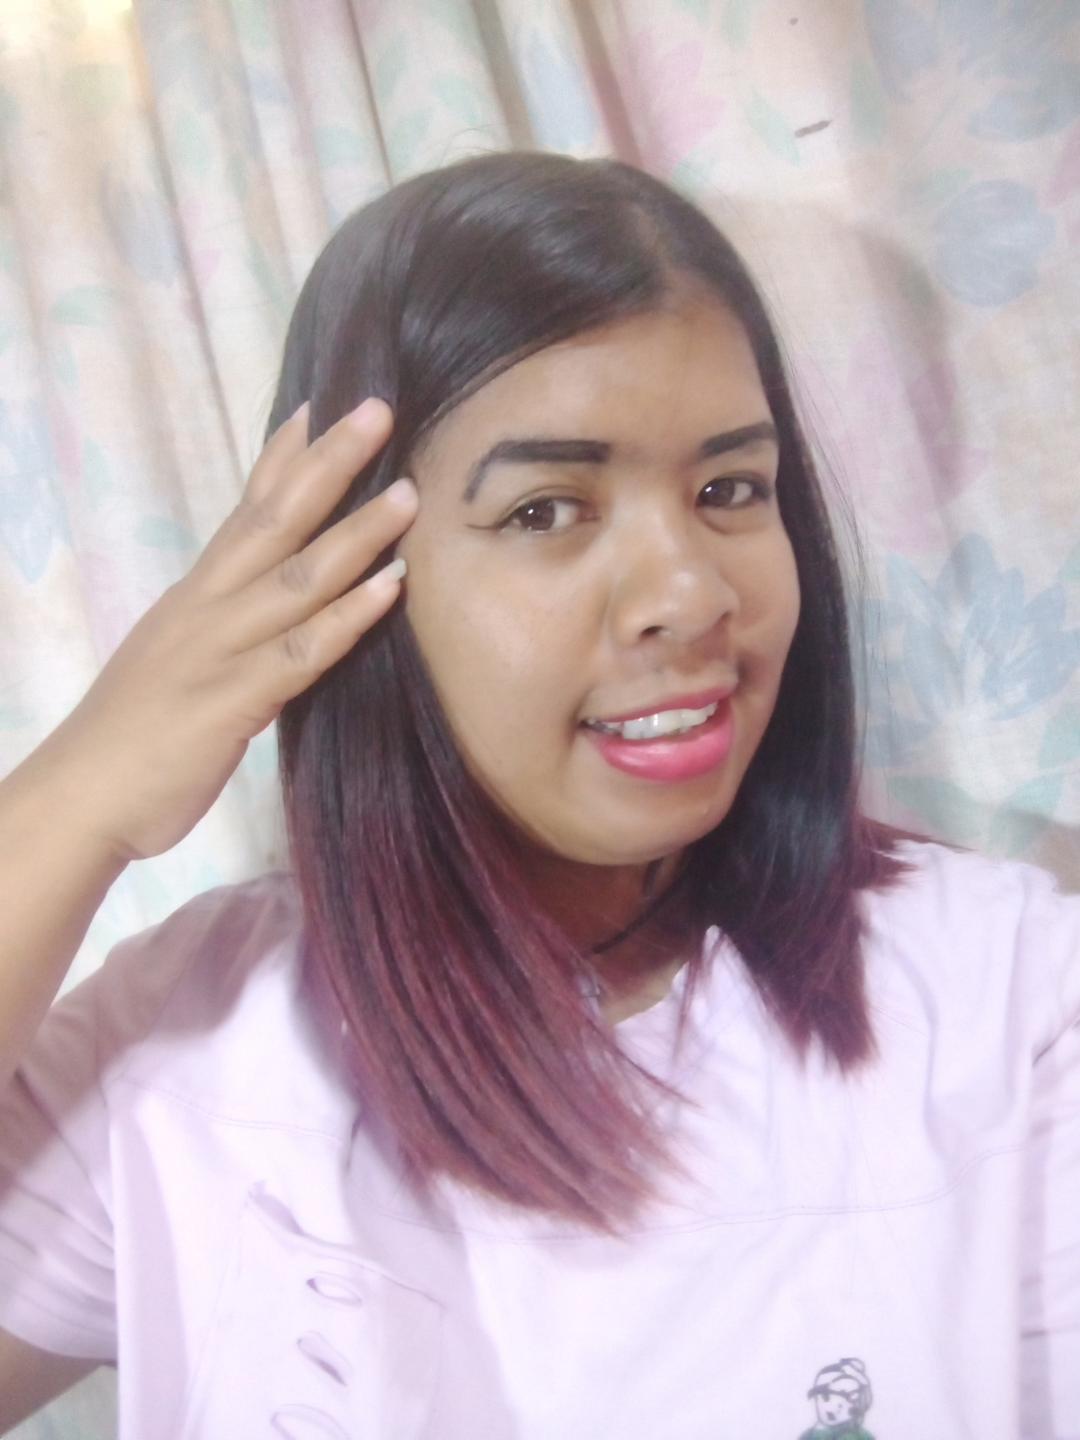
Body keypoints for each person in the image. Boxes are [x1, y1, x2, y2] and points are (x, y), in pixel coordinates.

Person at [0, 151, 1075, 1439]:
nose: (691, 594)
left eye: (730, 489)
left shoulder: (1011, 995)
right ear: (345, 576)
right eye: (547, 510)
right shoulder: (185, 1049)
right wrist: (78, 797)